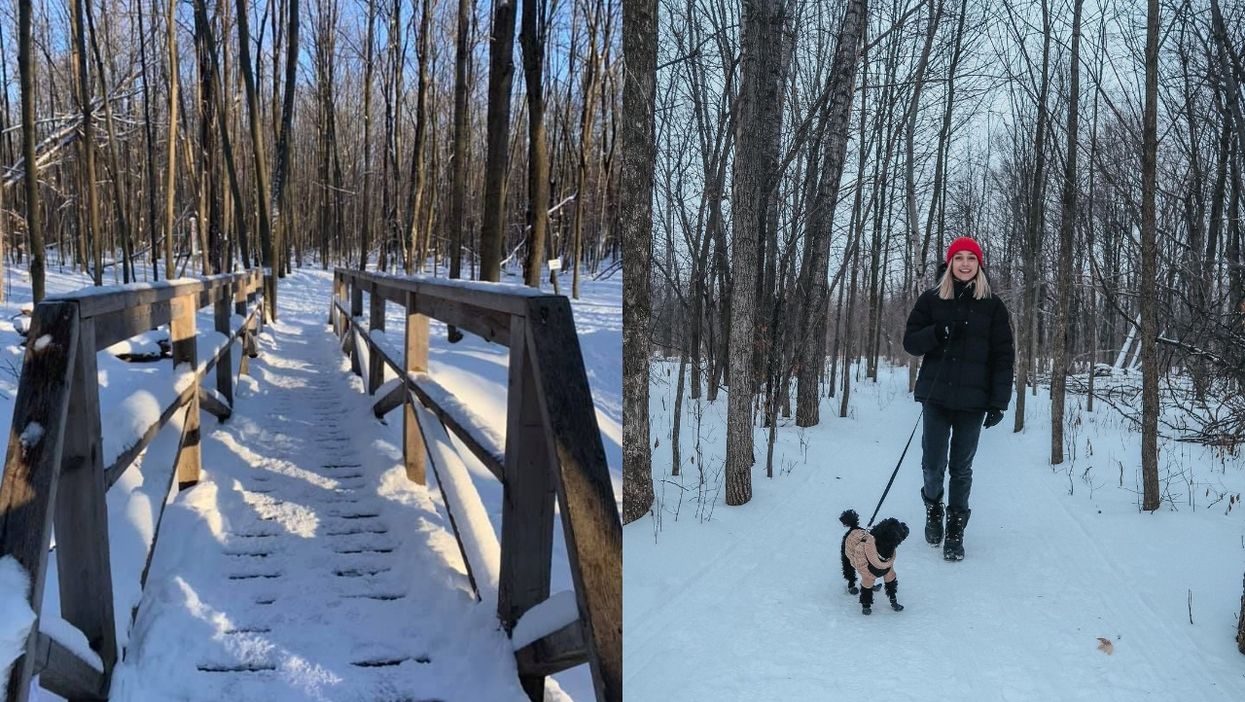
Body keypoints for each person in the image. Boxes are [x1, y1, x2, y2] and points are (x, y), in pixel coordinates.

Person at [902, 237, 1015, 561]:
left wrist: (999, 401)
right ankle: (933, 508)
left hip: (973, 403)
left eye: (971, 258)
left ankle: (955, 531)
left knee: (961, 468)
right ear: (950, 263)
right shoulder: (931, 300)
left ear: (979, 265)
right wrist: (937, 332)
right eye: (959, 258)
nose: (965, 263)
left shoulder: (993, 306)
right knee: (932, 465)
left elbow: (1003, 357)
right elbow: (911, 342)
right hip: (936, 398)